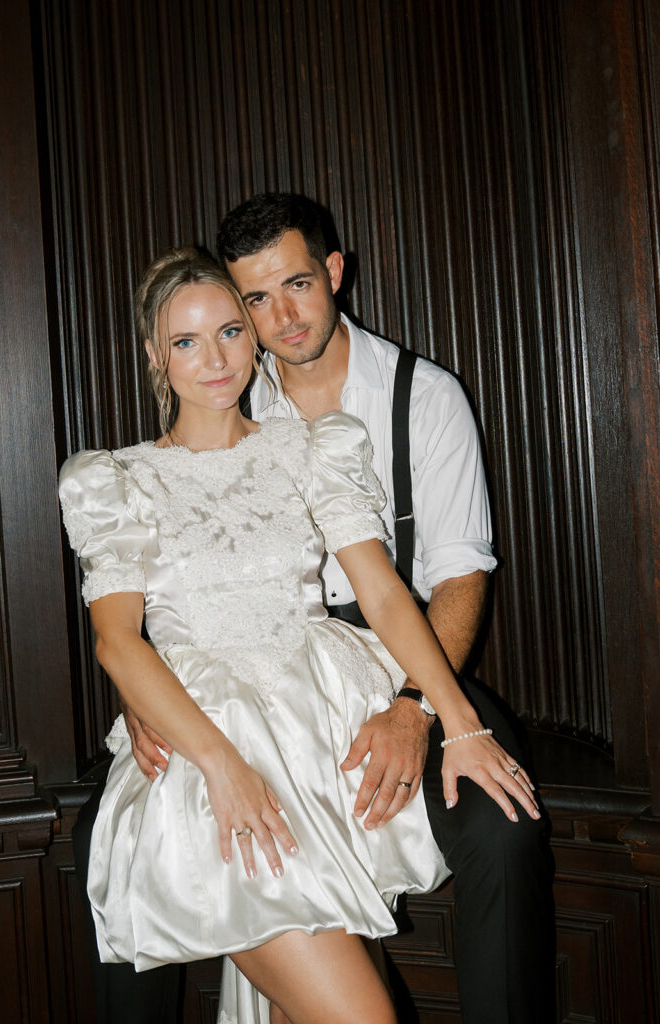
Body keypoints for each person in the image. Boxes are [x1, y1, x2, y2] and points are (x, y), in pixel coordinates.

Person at [60, 247, 540, 1024]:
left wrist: (461, 722)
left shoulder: (313, 446)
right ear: (153, 354)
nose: (212, 359)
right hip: (205, 740)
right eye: (184, 342)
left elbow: (382, 594)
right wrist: (221, 765)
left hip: (323, 725)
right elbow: (118, 641)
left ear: (251, 337)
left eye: (225, 332)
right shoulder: (117, 479)